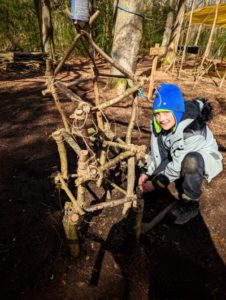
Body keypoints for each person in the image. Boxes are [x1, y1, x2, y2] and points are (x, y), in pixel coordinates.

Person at [139, 83, 223, 225]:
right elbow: (157, 152)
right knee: (160, 175)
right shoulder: (159, 124)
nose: (161, 119)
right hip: (177, 151)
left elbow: (177, 164)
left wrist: (155, 184)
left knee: (191, 162)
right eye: (158, 114)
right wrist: (147, 172)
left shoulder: (191, 129)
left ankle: (191, 203)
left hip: (202, 156)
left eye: (166, 113)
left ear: (176, 111)